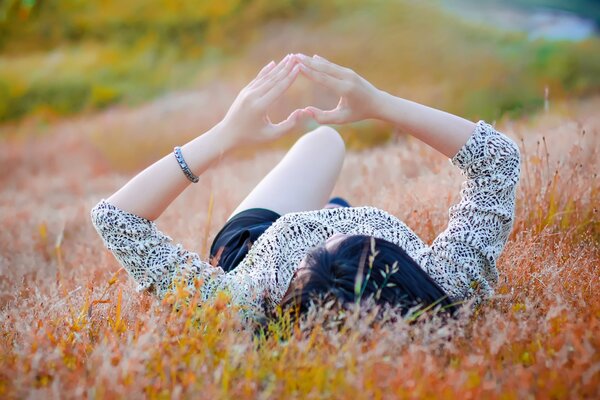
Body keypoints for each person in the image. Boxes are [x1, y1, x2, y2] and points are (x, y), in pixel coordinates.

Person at [90, 53, 521, 322]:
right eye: (351, 237)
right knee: (328, 140)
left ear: (292, 292)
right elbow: (498, 160)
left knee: (322, 141)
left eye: (320, 251)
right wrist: (379, 104)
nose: (329, 229)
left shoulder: (245, 300)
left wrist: (224, 136)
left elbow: (116, 219)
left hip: (255, 244)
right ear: (401, 273)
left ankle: (331, 203)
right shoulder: (448, 284)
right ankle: (337, 202)